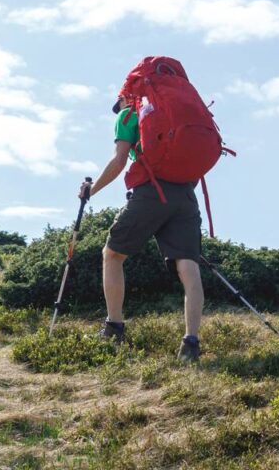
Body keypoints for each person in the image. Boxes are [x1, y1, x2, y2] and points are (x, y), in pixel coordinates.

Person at [80, 92, 205, 362]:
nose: (119, 109)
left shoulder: (129, 116)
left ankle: (114, 328)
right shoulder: (177, 114)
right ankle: (191, 343)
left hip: (151, 191)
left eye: (119, 104)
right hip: (185, 196)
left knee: (112, 254)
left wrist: (92, 190)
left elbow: (119, 160)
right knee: (188, 267)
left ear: (126, 98)